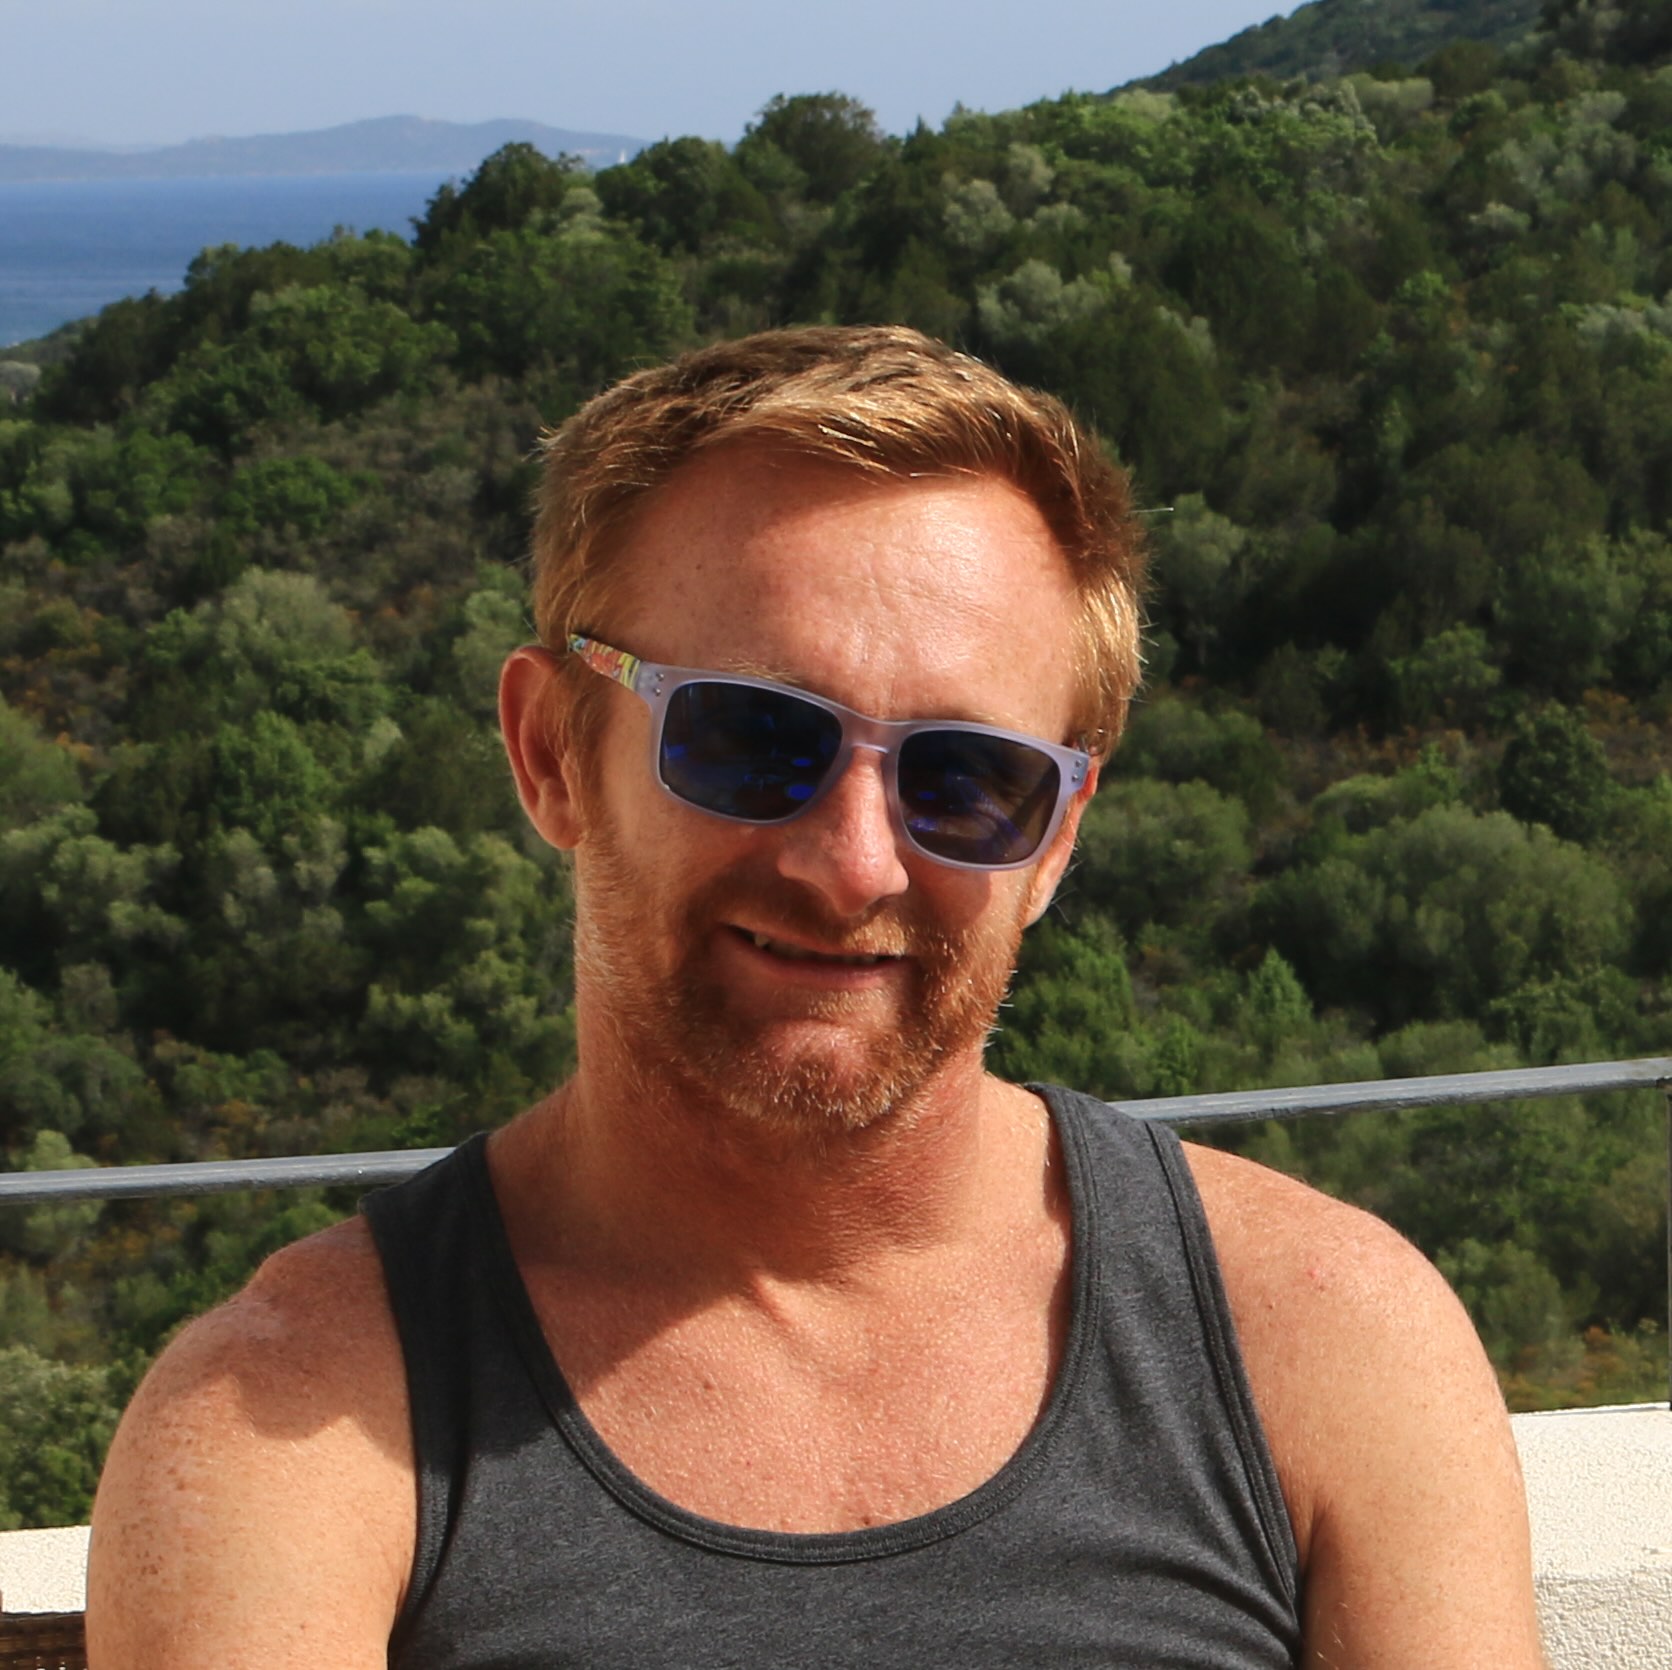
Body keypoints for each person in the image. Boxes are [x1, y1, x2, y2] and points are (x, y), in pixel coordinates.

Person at [87, 325, 1546, 1668]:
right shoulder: (292, 1425)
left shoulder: (1327, 1344)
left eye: (967, 778)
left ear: (1056, 845)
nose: (851, 864)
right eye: (746, 738)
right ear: (551, 754)